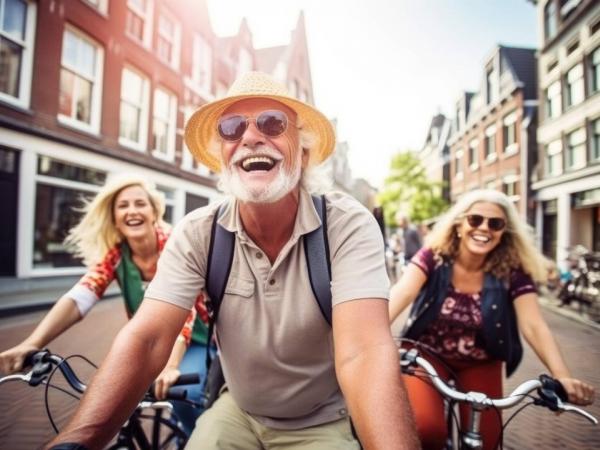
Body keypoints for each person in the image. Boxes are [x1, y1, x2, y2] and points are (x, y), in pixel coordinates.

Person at [46, 71, 419, 450]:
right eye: (231, 127)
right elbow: (148, 337)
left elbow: (364, 352)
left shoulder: (346, 224)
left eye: (273, 123)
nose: (251, 137)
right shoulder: (197, 231)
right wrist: (77, 441)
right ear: (223, 157)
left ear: (303, 154)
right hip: (237, 412)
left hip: (321, 421)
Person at [0, 174, 209, 437]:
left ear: (154, 211)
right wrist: (33, 342)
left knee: (187, 395)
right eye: (123, 206)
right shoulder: (117, 255)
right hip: (153, 339)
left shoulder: (175, 245)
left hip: (199, 339)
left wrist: (170, 366)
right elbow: (82, 295)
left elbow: (184, 310)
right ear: (114, 219)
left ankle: (193, 439)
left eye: (140, 204)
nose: (132, 211)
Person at [388, 189, 596, 450]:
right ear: (459, 225)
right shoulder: (433, 256)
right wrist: (365, 342)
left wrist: (562, 376)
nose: (484, 228)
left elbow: (533, 324)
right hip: (425, 356)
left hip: (481, 361)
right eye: (475, 219)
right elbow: (402, 293)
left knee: (487, 442)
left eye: (495, 223)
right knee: (427, 430)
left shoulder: (513, 269)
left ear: (504, 232)